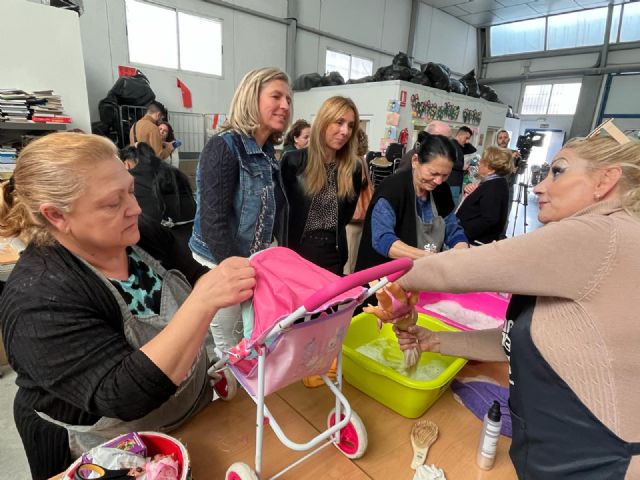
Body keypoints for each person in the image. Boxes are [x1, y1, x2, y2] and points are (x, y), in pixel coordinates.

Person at [0, 132, 255, 479]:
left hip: (192, 420)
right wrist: (204, 300)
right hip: (110, 451)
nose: (135, 208)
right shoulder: (38, 299)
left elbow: (193, 275)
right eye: (112, 203)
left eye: (131, 191)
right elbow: (123, 394)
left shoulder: (139, 235)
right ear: (57, 216)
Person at [389, 130, 640, 479]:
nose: (538, 187)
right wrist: (435, 341)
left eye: (558, 171)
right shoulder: (589, 251)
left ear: (606, 180)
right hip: (552, 444)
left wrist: (393, 281)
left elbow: (462, 269)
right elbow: (521, 341)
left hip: (595, 455)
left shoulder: (602, 234)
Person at [189, 67, 290, 356]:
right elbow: (213, 222)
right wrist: (239, 276)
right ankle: (230, 395)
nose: (285, 105)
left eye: (288, 99)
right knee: (228, 348)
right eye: (276, 96)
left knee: (249, 340)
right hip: (221, 265)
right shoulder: (223, 148)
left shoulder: (267, 154)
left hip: (251, 265)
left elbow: (268, 217)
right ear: (251, 98)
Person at [355, 133, 468, 271]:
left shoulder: (442, 190)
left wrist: (461, 250)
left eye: (445, 175)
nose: (438, 181)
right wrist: (428, 258)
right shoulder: (392, 189)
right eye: (433, 173)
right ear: (415, 161)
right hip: (383, 277)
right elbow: (383, 240)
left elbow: (452, 229)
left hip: (419, 275)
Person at [280, 96, 362, 275]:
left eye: (350, 125)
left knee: (330, 304)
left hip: (333, 252)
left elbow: (346, 214)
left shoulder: (352, 168)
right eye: (339, 122)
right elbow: (281, 211)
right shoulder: (294, 161)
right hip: (297, 251)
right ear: (324, 121)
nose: (345, 131)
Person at [120, 142, 196, 248]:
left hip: (166, 245)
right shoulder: (172, 171)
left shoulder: (131, 180)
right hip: (195, 234)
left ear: (126, 164)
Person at [456, 146, 514, 245]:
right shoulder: (494, 183)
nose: (479, 163)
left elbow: (489, 219)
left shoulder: (494, 187)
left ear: (491, 169)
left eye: (482, 161)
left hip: (476, 241)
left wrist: (461, 233)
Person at [345, 128, 373, 274]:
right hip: (358, 219)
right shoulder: (362, 158)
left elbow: (356, 184)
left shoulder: (354, 160)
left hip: (353, 218)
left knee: (348, 265)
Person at [448, 126, 474, 205]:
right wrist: (462, 166)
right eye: (466, 138)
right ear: (460, 135)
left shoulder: (459, 146)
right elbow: (447, 161)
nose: (467, 141)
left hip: (456, 183)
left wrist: (465, 142)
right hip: (452, 183)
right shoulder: (451, 144)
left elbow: (473, 150)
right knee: (450, 210)